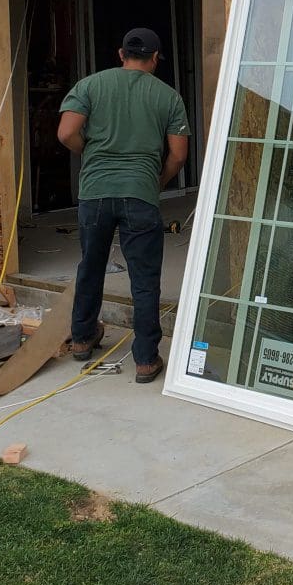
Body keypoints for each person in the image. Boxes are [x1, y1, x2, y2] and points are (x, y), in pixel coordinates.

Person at [57, 28, 189, 383]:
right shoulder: (168, 97)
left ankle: (83, 339)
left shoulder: (89, 86)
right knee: (144, 280)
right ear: (156, 58)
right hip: (140, 195)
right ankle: (145, 360)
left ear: (120, 54)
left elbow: (66, 133)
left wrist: (94, 153)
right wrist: (154, 182)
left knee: (91, 267)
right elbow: (178, 155)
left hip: (95, 194)